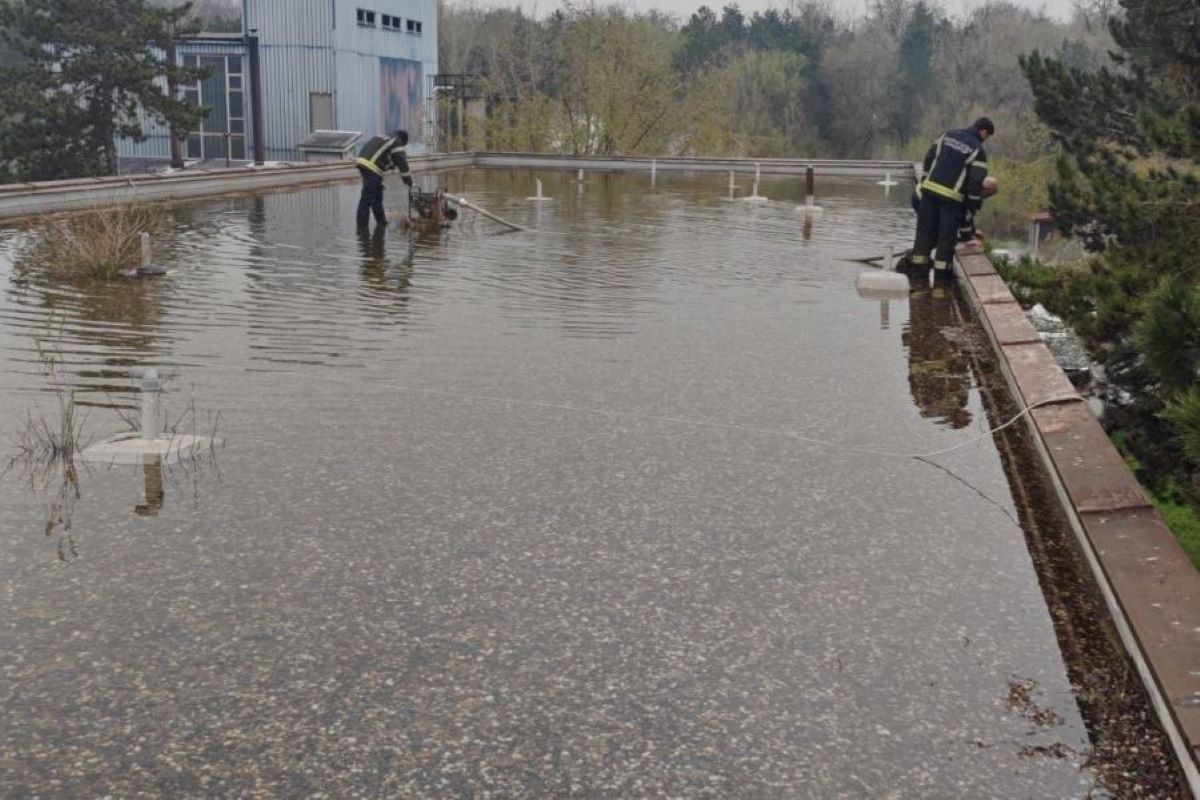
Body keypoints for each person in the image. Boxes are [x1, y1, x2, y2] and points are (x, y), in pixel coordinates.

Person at [910, 117, 994, 280]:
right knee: (945, 239)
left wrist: (926, 180)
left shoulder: (947, 135)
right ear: (984, 132)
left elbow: (929, 157)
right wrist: (968, 236)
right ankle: (940, 283)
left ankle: (918, 277)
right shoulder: (977, 150)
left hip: (928, 194)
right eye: (987, 137)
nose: (985, 140)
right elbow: (974, 185)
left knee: (923, 234)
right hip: (951, 200)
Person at [355, 129, 413, 229]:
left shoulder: (386, 138)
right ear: (403, 140)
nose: (402, 147)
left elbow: (385, 158)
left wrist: (391, 166)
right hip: (370, 167)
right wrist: (408, 179)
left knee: (377, 196)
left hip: (365, 163)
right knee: (366, 198)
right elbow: (401, 161)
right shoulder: (397, 141)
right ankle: (362, 229)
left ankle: (381, 222)